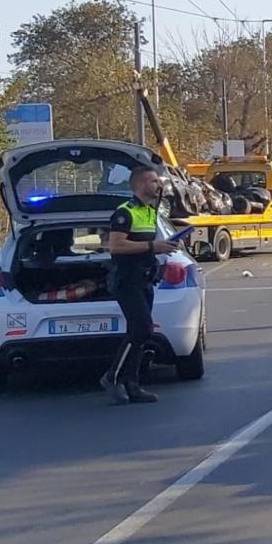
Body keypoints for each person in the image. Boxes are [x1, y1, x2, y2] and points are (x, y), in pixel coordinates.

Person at [100, 167, 179, 405]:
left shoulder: (149, 212)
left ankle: (132, 384)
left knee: (140, 333)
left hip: (145, 279)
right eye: (154, 180)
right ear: (141, 184)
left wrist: (162, 247)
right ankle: (112, 377)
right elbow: (116, 246)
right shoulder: (125, 212)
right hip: (127, 280)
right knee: (142, 329)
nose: (159, 184)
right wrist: (153, 247)